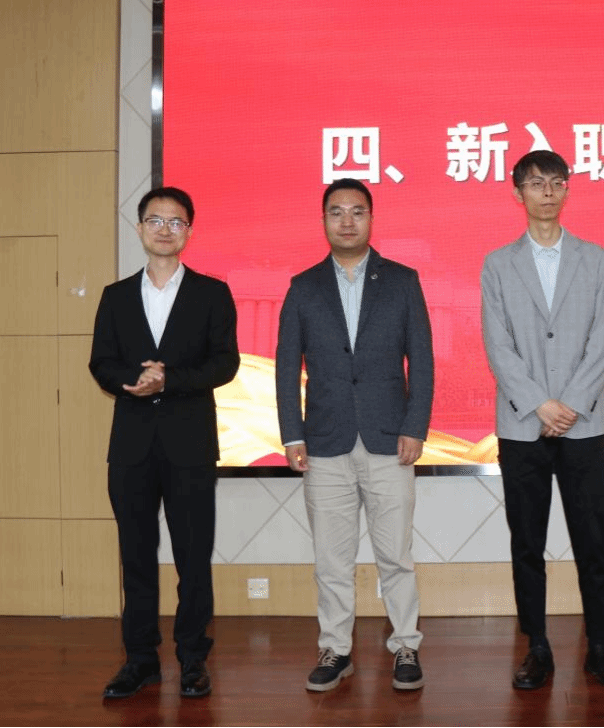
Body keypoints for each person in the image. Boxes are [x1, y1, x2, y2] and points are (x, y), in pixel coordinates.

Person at [480, 150, 604, 690]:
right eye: (535, 183)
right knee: (527, 542)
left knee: (593, 539)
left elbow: (602, 340)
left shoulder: (596, 259)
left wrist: (568, 404)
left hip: (583, 423)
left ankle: (600, 647)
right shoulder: (498, 264)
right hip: (522, 425)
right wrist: (539, 404)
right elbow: (497, 345)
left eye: (556, 182)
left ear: (568, 190)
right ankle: (537, 647)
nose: (546, 191)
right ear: (517, 193)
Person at [276, 178, 434, 693]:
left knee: (396, 556)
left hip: (391, 439)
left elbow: (422, 360)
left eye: (357, 211)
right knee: (332, 560)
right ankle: (335, 649)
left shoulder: (402, 280)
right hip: (324, 442)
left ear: (371, 218)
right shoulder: (303, 286)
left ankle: (405, 645)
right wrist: (292, 434)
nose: (347, 221)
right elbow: (286, 368)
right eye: (337, 212)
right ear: (323, 220)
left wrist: (415, 426)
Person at [90, 186, 240, 700]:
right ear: (139, 228)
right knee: (135, 556)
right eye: (155, 220)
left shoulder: (212, 293)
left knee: (193, 558)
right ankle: (140, 660)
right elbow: (101, 362)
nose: (164, 229)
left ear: (188, 232)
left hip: (189, 445)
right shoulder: (115, 296)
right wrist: (132, 380)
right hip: (131, 447)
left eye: (176, 222)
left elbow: (225, 363)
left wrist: (167, 379)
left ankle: (193, 658)